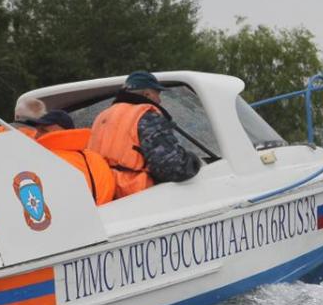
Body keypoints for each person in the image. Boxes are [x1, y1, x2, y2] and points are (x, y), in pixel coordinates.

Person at [87, 70, 201, 198]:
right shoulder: (146, 117)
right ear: (147, 94)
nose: (159, 101)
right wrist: (195, 161)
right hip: (139, 198)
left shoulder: (101, 117)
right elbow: (172, 167)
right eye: (157, 94)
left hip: (104, 194)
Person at [30, 109, 115, 205]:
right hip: (109, 214)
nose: (36, 134)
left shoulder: (46, 161)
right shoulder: (96, 158)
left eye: (43, 130)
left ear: (62, 131)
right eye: (37, 129)